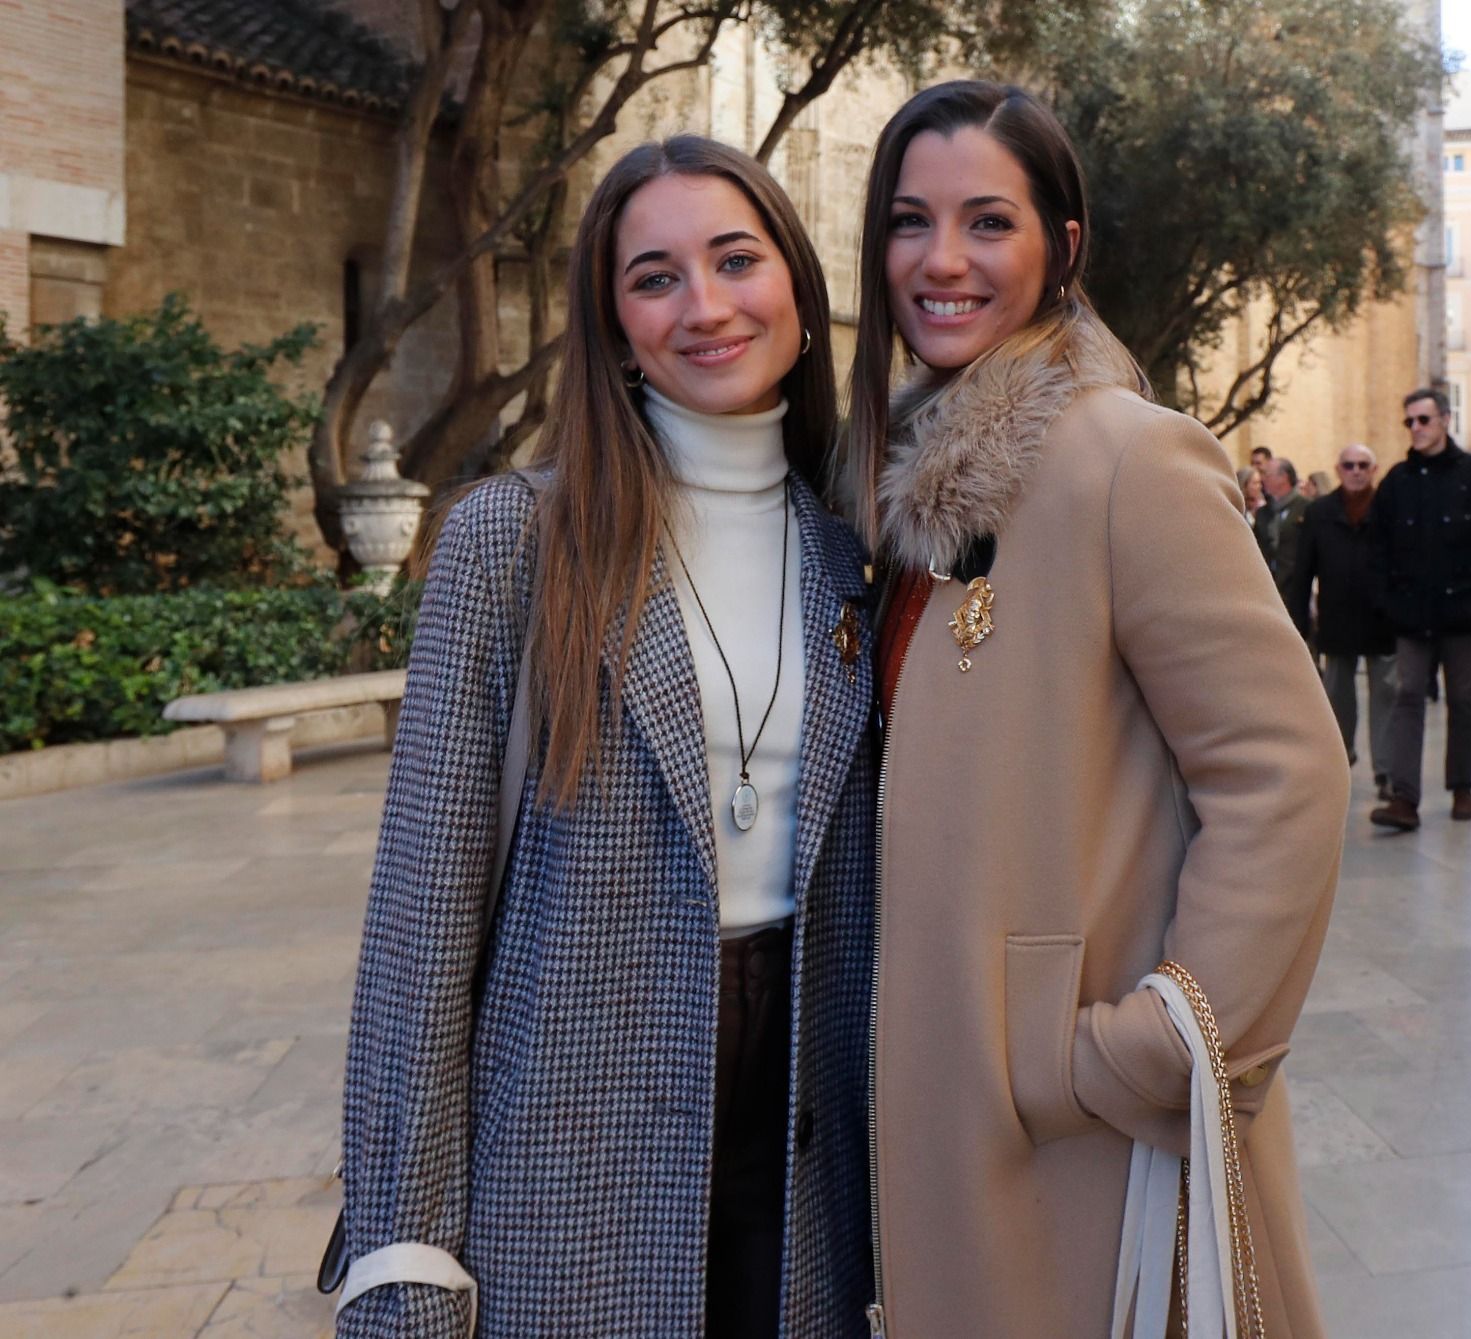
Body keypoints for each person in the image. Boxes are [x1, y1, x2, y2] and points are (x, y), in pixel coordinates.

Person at [336, 137, 876, 1339]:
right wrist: (403, 1246)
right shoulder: (508, 545)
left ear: (795, 280)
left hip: (815, 1136)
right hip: (570, 1140)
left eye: (736, 259)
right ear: (612, 320)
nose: (706, 305)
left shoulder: (860, 547)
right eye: (654, 276)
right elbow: (419, 926)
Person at [844, 80, 1348, 1339]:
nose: (941, 260)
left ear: (1061, 247)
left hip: (1083, 1147)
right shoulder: (897, 487)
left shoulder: (1126, 455)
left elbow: (1284, 774)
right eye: (909, 223)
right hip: (931, 1111)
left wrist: (1143, 1054)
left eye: (987, 222)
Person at [1368, 388, 1471, 829]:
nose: (1416, 429)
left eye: (1423, 420)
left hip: (1463, 613)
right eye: (1409, 421)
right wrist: (1389, 605)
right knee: (1408, 698)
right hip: (1411, 615)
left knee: (1462, 700)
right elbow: (1378, 550)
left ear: (1445, 419)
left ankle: (1461, 788)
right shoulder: (1396, 482)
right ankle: (1404, 798)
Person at [1289, 444, 1398, 797]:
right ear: (1338, 470)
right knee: (1338, 694)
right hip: (1337, 619)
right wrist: (1298, 624)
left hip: (1383, 619)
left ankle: (1385, 770)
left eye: (1362, 465)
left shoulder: (1389, 510)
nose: (1356, 471)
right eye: (1349, 465)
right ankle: (1342, 759)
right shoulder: (1320, 511)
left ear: (1374, 468)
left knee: (1386, 694)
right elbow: (1303, 569)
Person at [1256, 455, 1310, 602]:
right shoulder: (1263, 513)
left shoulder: (1307, 508)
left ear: (1283, 477)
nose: (1263, 479)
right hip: (1267, 589)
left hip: (1296, 590)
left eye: (1267, 475)